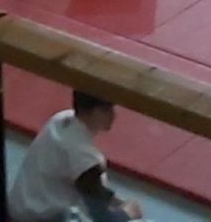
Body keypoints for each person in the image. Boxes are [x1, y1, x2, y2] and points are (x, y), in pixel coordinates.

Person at [8, 92, 140, 222]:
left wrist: (114, 199)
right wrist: (128, 212)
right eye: (106, 110)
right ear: (90, 111)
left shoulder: (61, 119)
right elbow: (103, 218)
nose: (113, 115)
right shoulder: (85, 158)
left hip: (18, 206)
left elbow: (89, 185)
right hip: (38, 217)